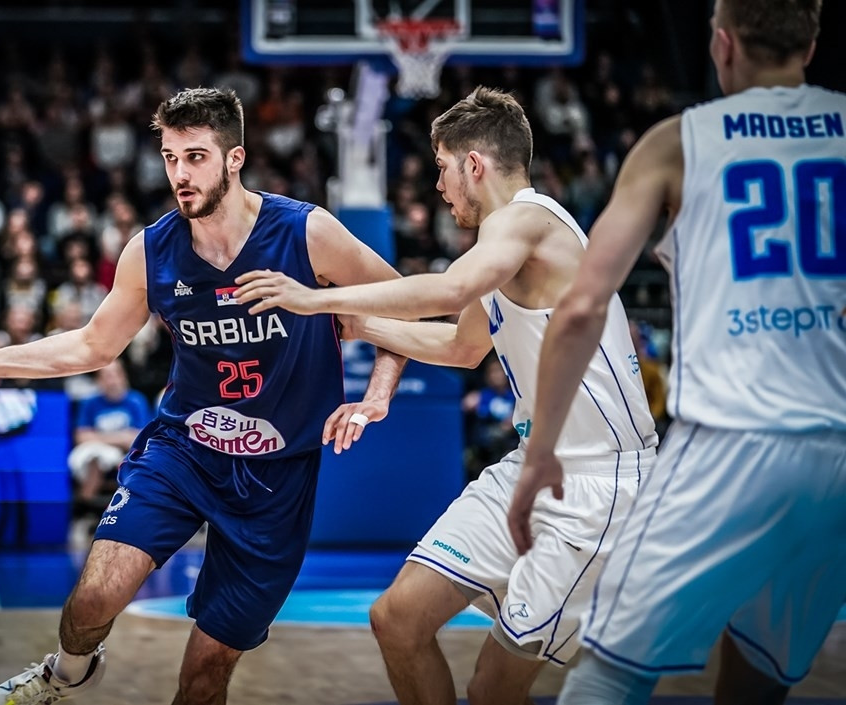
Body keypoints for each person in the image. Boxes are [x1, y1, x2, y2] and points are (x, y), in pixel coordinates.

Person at [0, 86, 404, 705]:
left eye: (196, 157)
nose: (180, 174)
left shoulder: (306, 232)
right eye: (170, 157)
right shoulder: (151, 250)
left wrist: (376, 396)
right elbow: (92, 345)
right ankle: (63, 677)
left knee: (204, 677)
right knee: (93, 597)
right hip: (184, 450)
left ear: (234, 158)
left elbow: (405, 305)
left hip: (277, 476)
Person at [234, 86, 658, 705]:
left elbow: (449, 290)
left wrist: (315, 298)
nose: (437, 185)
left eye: (442, 168)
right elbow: (463, 348)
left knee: (493, 690)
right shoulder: (500, 249)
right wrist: (361, 327)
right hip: (530, 468)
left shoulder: (529, 219)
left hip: (598, 486)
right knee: (398, 619)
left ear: (474, 164)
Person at [506, 2, 846, 703]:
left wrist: (539, 453)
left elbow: (582, 306)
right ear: (811, 45)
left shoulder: (678, 142)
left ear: (722, 45)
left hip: (730, 441)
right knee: (757, 679)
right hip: (837, 455)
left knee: (608, 673)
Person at [68, 359, 151, 504]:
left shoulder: (136, 400)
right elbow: (81, 437)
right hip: (97, 451)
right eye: (106, 376)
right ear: (99, 380)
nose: (112, 380)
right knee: (94, 457)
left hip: (128, 452)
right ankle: (85, 505)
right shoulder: (90, 402)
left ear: (123, 376)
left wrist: (98, 437)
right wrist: (122, 437)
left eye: (115, 374)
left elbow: (139, 438)